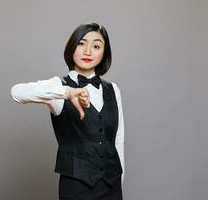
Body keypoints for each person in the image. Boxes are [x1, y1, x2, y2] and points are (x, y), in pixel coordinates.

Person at [10, 22, 125, 200]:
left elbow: (118, 140)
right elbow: (16, 92)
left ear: (104, 53)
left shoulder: (113, 89)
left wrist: (120, 180)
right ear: (72, 47)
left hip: (112, 185)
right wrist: (66, 92)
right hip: (76, 188)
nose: (88, 51)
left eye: (96, 46)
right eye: (81, 43)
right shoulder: (58, 87)